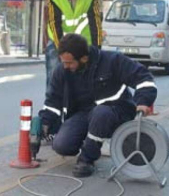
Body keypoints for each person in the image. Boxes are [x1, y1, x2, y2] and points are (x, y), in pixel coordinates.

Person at [38, 34, 157, 178]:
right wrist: (45, 123)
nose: (65, 66)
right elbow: (53, 102)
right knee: (62, 145)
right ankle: (89, 142)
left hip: (117, 111)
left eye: (69, 63)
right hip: (84, 114)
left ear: (84, 58)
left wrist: (143, 102)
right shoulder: (62, 71)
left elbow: (144, 78)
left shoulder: (112, 61)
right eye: (63, 62)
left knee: (101, 113)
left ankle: (86, 160)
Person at [43, 0, 102, 87]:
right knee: (55, 75)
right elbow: (54, 22)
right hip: (58, 40)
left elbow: (95, 20)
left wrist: (97, 49)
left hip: (85, 42)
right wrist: (61, 52)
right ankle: (52, 103)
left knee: (86, 78)